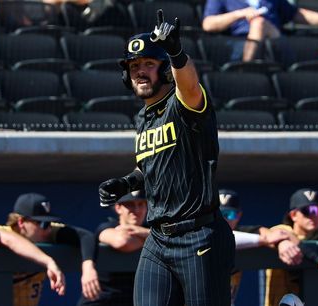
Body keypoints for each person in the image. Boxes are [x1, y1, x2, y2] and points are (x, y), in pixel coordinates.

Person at [98, 8, 235, 306]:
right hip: (158, 238)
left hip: (199, 235)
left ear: (164, 69)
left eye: (149, 63)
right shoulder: (142, 117)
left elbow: (189, 85)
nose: (140, 71)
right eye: (134, 66)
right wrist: (125, 183)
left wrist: (176, 53)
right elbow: (150, 166)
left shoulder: (183, 104)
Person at [0, 192, 100, 306]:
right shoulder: (0, 231)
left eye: (48, 223)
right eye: (41, 223)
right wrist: (48, 261)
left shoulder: (48, 233)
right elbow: (10, 239)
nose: (47, 229)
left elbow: (85, 236)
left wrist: (88, 267)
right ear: (21, 222)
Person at [218, 189, 302, 306]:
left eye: (230, 214)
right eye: (220, 214)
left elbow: (273, 233)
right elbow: (221, 238)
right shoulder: (201, 234)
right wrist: (263, 240)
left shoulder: (244, 233)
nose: (225, 219)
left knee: (292, 301)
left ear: (239, 216)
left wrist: (282, 243)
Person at [202, 0, 318, 61]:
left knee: (260, 23)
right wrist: (239, 14)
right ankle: (245, 69)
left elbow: (298, 15)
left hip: (275, 45)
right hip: (238, 46)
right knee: (259, 23)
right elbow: (208, 24)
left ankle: (247, 70)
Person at [78, 190, 149, 305]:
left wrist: (145, 232)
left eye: (141, 204)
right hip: (102, 298)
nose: (136, 210)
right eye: (130, 205)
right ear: (118, 208)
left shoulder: (151, 230)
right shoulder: (108, 226)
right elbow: (123, 242)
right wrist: (155, 239)